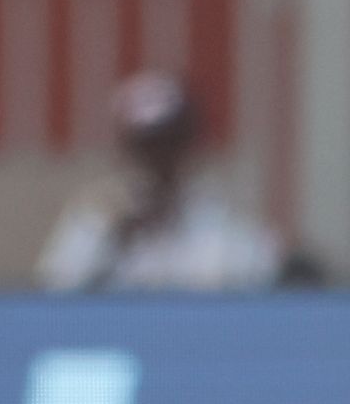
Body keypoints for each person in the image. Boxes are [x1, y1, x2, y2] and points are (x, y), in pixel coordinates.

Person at [37, 71, 285, 292]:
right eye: (147, 147)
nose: (159, 159)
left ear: (190, 144)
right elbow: (55, 293)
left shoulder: (224, 215)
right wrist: (114, 241)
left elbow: (255, 286)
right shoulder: (97, 215)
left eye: (170, 143)